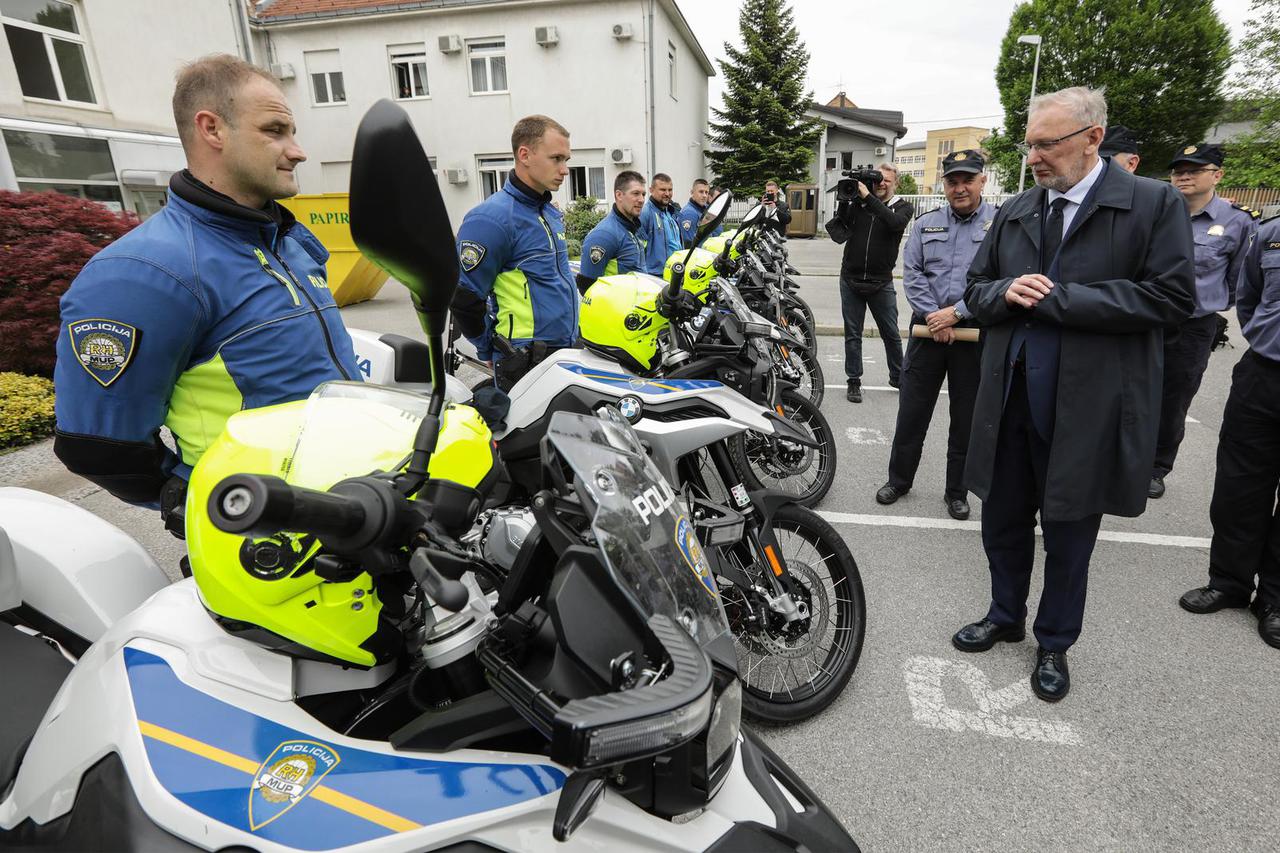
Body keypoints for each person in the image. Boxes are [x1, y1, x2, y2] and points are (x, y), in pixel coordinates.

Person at [952, 87, 1194, 702]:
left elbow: (1170, 299)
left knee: (1068, 533)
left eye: (1046, 144)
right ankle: (1004, 615)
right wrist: (1005, 292)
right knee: (1002, 521)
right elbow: (975, 288)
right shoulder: (1018, 208)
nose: (1034, 157)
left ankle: (1054, 641)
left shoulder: (1151, 202)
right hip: (1010, 398)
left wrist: (1062, 300)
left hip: (1087, 407)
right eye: (1028, 145)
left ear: (1092, 138)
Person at [53, 53, 359, 514]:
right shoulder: (145, 271)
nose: (297, 151)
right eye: (275, 131)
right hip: (267, 535)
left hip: (354, 509)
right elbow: (97, 446)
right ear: (212, 129)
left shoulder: (289, 242)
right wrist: (197, 501)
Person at [1178, 214, 1280, 649]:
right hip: (1264, 373)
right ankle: (1229, 581)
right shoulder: (1272, 233)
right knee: (1239, 486)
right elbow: (1248, 295)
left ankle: (1275, 599)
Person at [876, 150, 994, 521]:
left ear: (982, 181)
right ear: (944, 184)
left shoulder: (999, 224)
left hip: (973, 332)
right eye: (952, 181)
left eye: (967, 180)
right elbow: (912, 273)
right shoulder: (926, 224)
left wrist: (957, 313)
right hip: (927, 330)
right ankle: (899, 481)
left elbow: (999, 278)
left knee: (966, 419)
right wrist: (934, 317)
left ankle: (957, 492)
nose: (960, 188)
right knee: (912, 412)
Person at [1149, 143, 1258, 499]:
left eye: (1194, 170)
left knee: (1174, 400)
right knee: (1129, 391)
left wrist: (1211, 303)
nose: (1184, 176)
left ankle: (1156, 467)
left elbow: (1241, 280)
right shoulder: (1156, 213)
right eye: (1178, 171)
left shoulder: (1237, 221)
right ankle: (1121, 459)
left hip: (1192, 326)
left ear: (1217, 175)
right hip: (1146, 320)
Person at [450, 115, 576, 391]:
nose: (565, 170)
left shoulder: (548, 212)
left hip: (563, 352)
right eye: (556, 159)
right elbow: (464, 299)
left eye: (566, 159)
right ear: (524, 155)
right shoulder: (491, 219)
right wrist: (489, 348)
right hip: (524, 360)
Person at [830, 162, 914, 402]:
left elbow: (894, 223)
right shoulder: (859, 204)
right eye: (878, 178)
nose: (881, 183)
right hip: (850, 278)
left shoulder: (903, 207)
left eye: (886, 179)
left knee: (891, 333)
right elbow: (840, 229)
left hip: (881, 282)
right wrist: (845, 200)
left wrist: (868, 198)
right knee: (853, 335)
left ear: (896, 183)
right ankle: (853, 380)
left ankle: (898, 377)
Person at [575, 170, 647, 292]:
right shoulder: (604, 235)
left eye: (643, 194)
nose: (641, 199)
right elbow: (586, 287)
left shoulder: (631, 227)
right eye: (635, 193)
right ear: (619, 195)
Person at [639, 172, 681, 273]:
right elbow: (638, 250)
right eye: (663, 190)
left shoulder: (671, 212)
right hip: (655, 276)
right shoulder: (645, 213)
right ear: (651, 190)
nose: (667, 194)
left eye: (670, 190)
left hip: (675, 273)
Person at [677, 178, 719, 248]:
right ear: (692, 193)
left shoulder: (704, 209)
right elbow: (689, 245)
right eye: (701, 192)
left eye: (706, 192)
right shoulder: (689, 214)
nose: (704, 195)